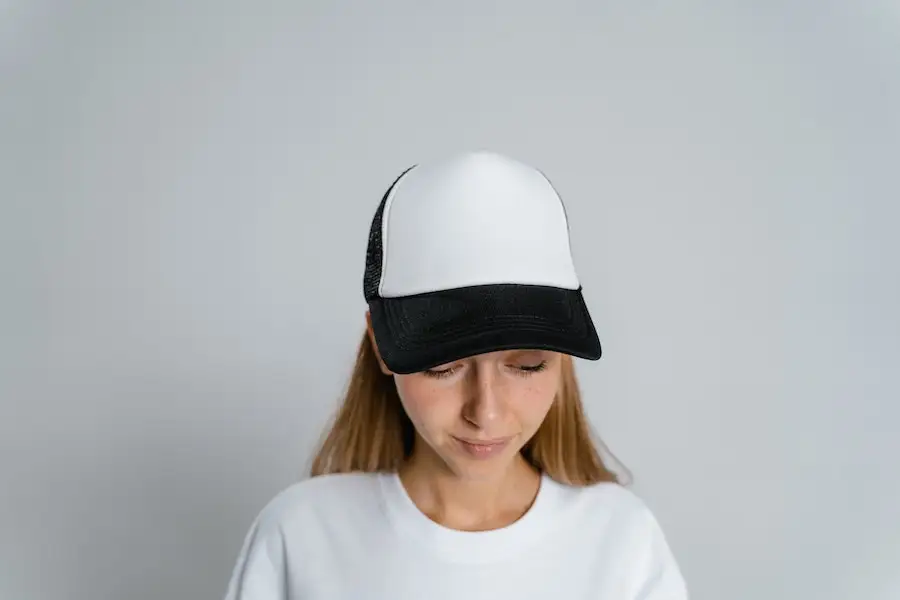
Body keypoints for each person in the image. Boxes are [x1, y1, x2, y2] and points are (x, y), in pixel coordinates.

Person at [223, 151, 688, 599]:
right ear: (380, 346)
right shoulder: (300, 536)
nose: (485, 413)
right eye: (444, 367)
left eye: (527, 366)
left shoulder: (622, 543)